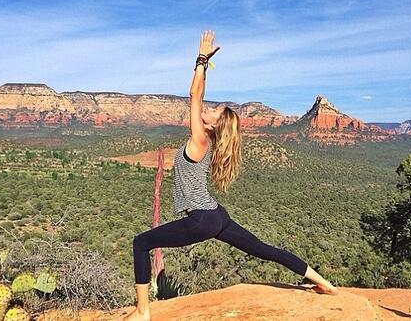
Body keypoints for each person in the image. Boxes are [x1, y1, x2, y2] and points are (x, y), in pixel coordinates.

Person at [123, 30, 338, 321]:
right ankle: (322, 281)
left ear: (213, 126)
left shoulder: (200, 139)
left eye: (213, 112)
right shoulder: (211, 141)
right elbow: (201, 95)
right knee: (264, 249)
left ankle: (142, 311)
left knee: (141, 242)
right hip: (216, 215)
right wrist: (207, 66)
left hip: (200, 218)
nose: (208, 110)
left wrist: (200, 58)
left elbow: (194, 95)